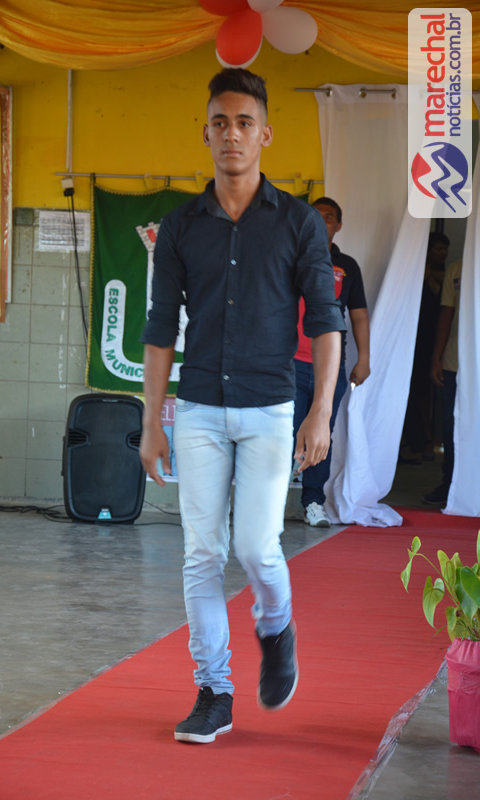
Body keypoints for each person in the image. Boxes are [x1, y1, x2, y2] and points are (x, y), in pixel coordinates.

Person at [139, 68, 345, 745]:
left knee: (257, 548)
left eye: (244, 123)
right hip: (198, 408)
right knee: (202, 554)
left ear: (265, 135)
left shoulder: (297, 223)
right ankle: (214, 691)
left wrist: (320, 412)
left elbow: (325, 321)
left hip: (268, 409)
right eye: (221, 123)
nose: (232, 134)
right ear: (206, 133)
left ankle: (276, 625)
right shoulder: (180, 226)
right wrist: (151, 423)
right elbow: (160, 328)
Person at [292, 197, 370, 528]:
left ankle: (313, 502)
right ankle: (270, 502)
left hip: (330, 367)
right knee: (284, 431)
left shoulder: (346, 266)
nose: (321, 221)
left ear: (338, 225)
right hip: (289, 363)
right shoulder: (290, 255)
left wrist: (364, 358)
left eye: (328, 217)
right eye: (315, 215)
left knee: (321, 433)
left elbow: (359, 315)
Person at [400, 232, 449, 465]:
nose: (443, 253)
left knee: (425, 391)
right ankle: (408, 442)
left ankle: (427, 441)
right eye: (438, 248)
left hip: (433, 339)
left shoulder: (446, 273)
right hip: (414, 337)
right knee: (409, 389)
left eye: (445, 249)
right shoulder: (415, 270)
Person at [423, 258, 461, 506]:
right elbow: (447, 313)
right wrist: (437, 357)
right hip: (453, 362)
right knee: (450, 426)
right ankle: (450, 484)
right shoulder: (457, 269)